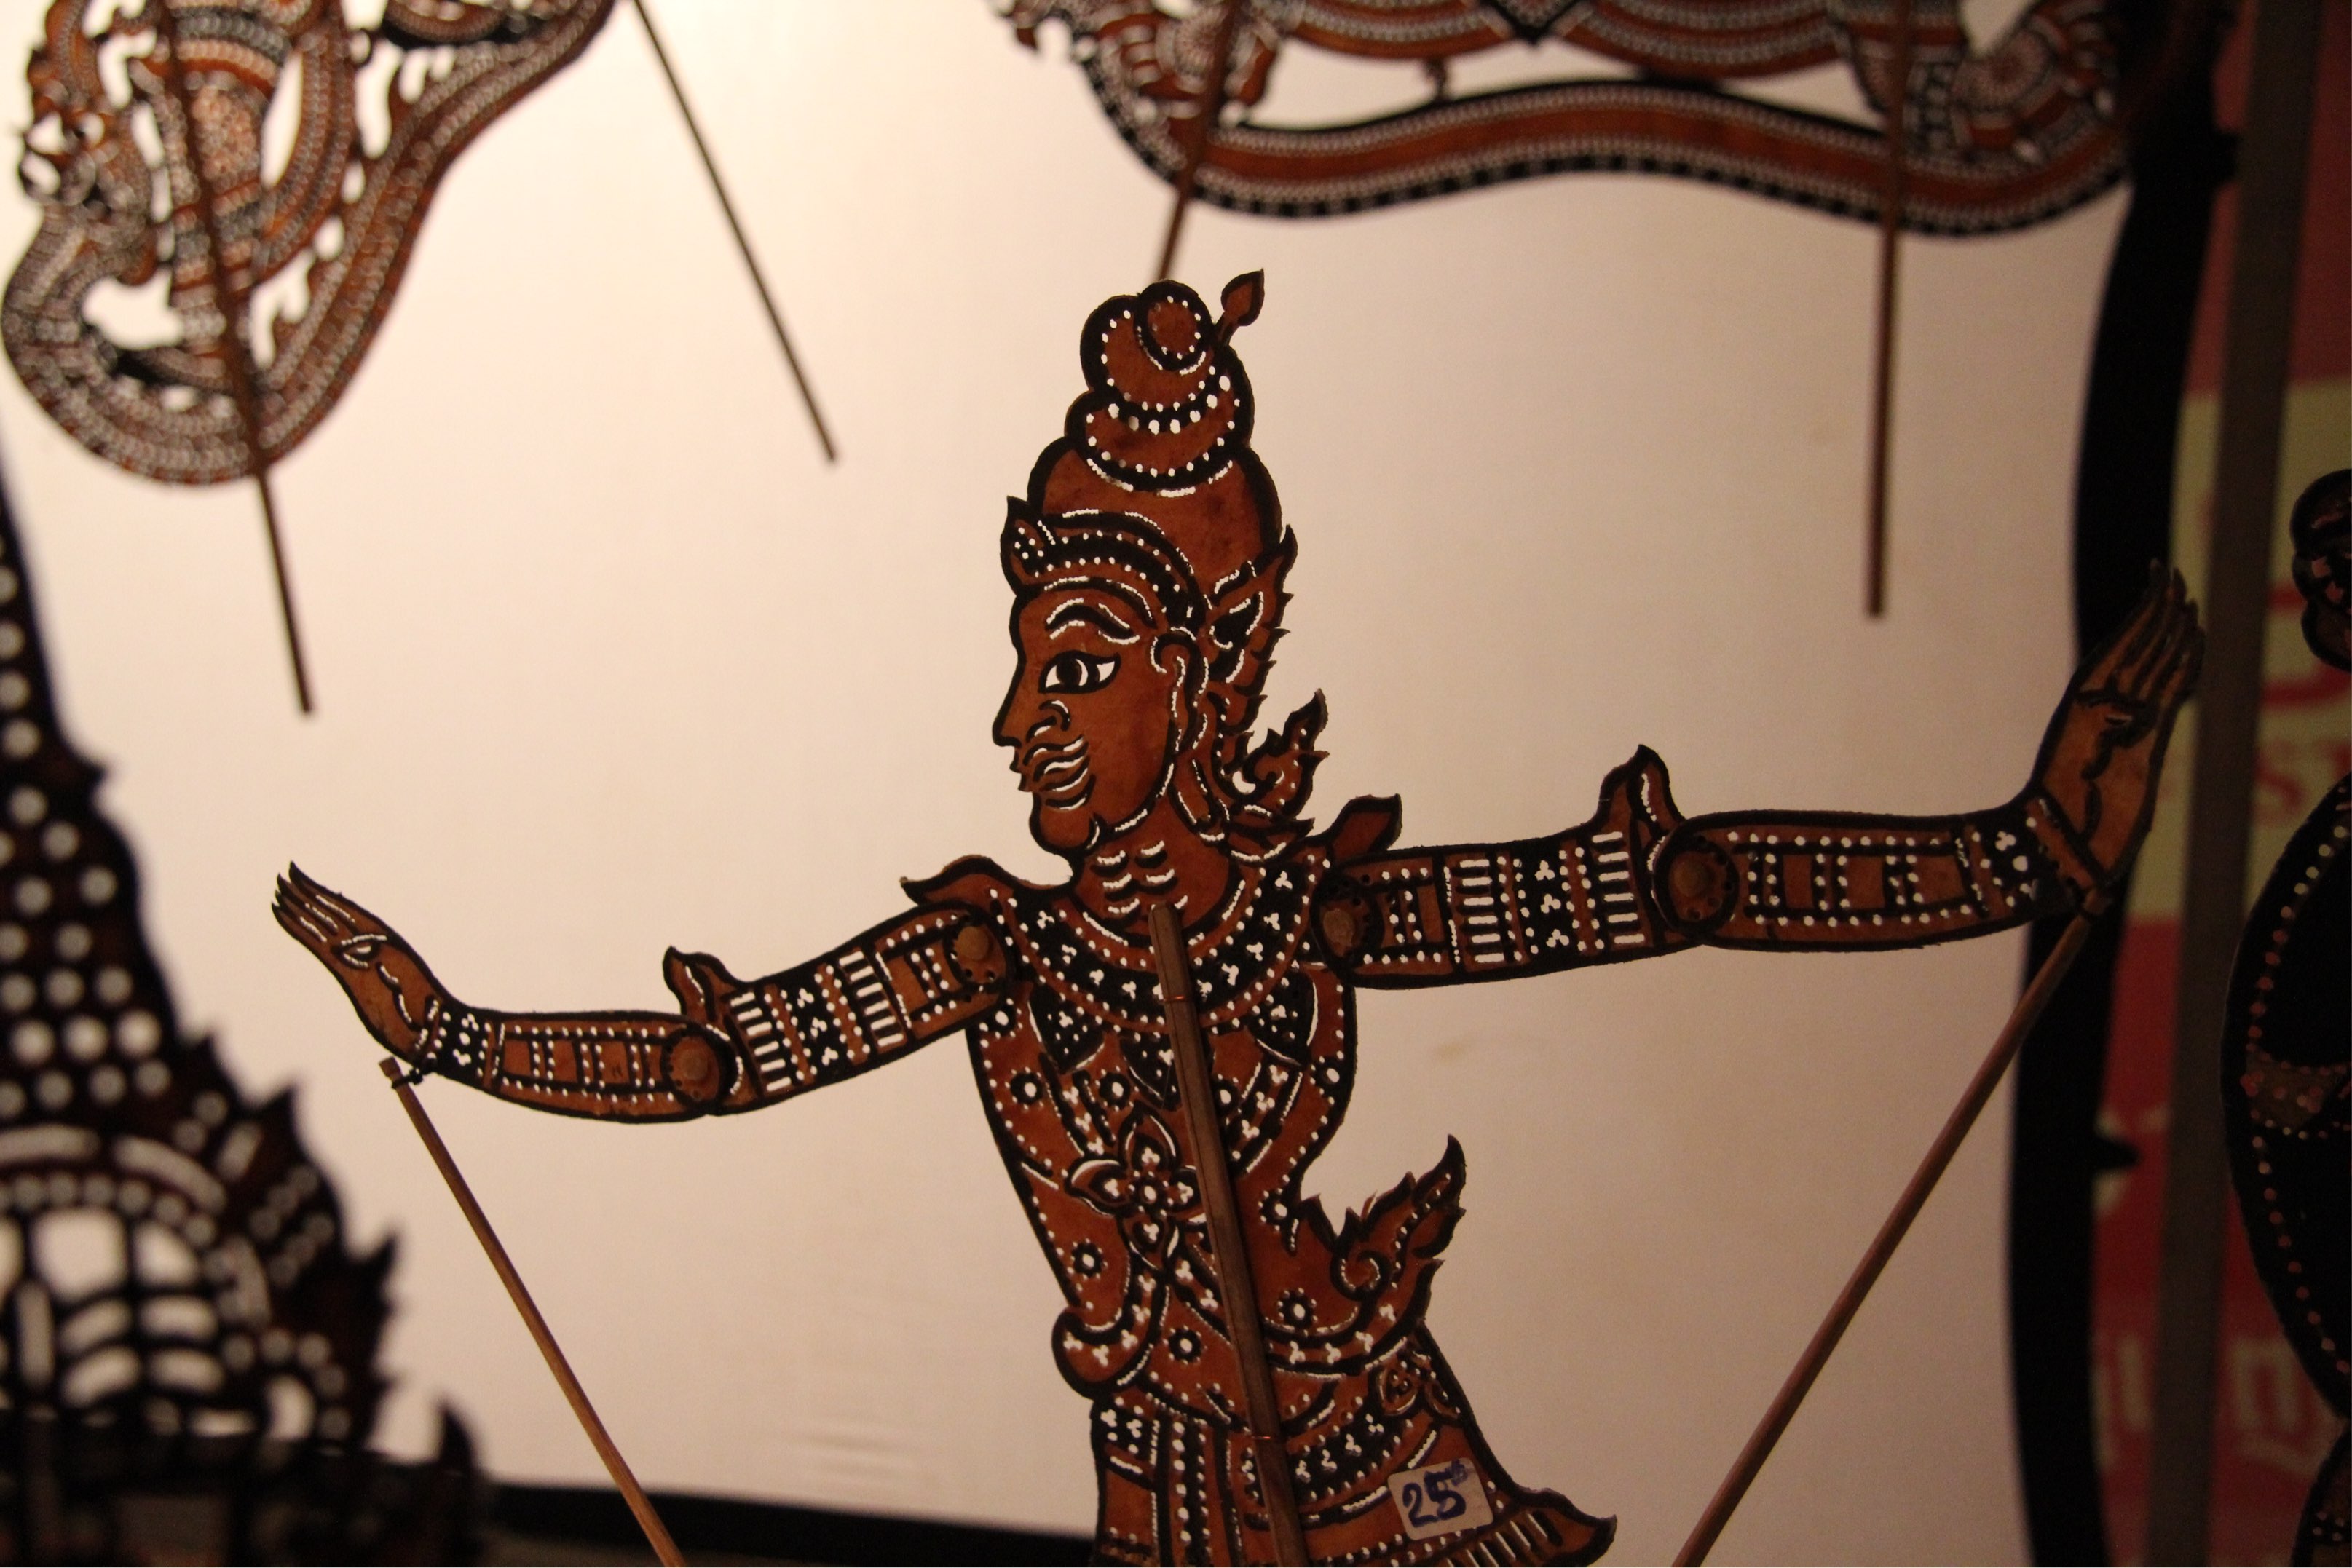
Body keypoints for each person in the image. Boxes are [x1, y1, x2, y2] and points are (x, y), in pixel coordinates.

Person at [277, 274, 2200, 1567]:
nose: (1020, 721)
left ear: (1199, 678)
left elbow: (1669, 890)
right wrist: (453, 1034)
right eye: (1025, 664)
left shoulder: (1318, 917)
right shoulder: (1001, 961)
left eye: (1076, 666)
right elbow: (719, 1061)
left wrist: (2020, 857)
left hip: (1379, 1462)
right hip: (1164, 1498)